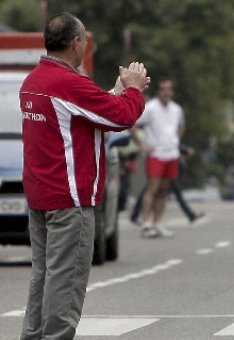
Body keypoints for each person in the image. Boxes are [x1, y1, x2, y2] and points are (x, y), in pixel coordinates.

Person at [19, 12, 149, 339]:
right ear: (76, 42)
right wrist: (133, 90)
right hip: (69, 201)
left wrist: (116, 90)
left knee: (44, 278)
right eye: (85, 40)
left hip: (40, 198)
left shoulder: (35, 81)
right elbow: (120, 117)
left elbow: (83, 113)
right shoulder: (68, 83)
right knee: (66, 283)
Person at [135, 78, 185, 238]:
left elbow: (182, 125)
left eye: (169, 89)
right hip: (156, 154)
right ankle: (145, 222)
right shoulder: (150, 108)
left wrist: (176, 140)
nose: (166, 92)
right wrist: (141, 144)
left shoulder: (176, 109)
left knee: (164, 190)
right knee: (152, 188)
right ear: (158, 91)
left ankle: (158, 222)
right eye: (163, 89)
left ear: (172, 91)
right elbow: (133, 123)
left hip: (171, 153)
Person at [129, 143, 205, 224]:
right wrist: (185, 150)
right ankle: (190, 215)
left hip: (166, 165)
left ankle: (135, 215)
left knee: (151, 192)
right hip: (160, 164)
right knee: (151, 192)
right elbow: (167, 145)